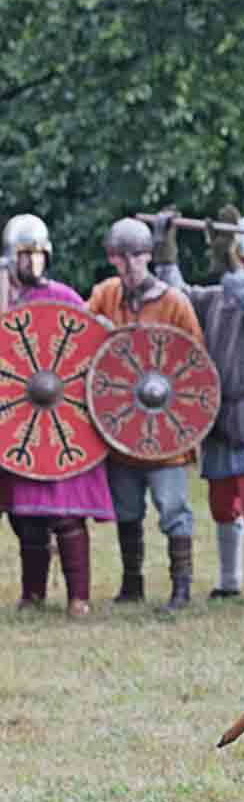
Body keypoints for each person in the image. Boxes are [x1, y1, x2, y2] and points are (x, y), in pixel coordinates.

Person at [153, 207, 244, 608]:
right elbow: (175, 294)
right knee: (223, 505)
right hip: (217, 414)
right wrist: (165, 248)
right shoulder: (214, 299)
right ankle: (229, 582)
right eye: (239, 259)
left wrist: (231, 266)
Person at [0, 214, 115, 617]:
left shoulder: (62, 297)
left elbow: (92, 344)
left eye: (38, 255)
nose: (32, 263)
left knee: (67, 516)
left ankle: (78, 597)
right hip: (17, 426)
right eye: (24, 255)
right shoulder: (4, 302)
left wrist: (100, 327)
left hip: (64, 423)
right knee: (25, 518)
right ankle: (33, 594)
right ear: (11, 258)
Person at [87, 218, 203, 610]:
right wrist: (99, 331)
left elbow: (194, 363)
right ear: (112, 258)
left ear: (149, 256)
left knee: (173, 509)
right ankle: (131, 583)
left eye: (137, 255)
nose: (130, 264)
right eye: (122, 257)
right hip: (120, 425)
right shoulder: (105, 295)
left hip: (164, 429)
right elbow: (83, 342)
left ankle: (181, 587)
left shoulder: (174, 303)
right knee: (127, 510)